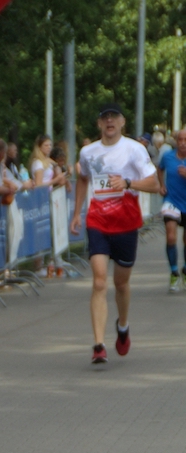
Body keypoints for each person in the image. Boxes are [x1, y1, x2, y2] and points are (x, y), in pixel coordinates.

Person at [70, 102, 159, 364]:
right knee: (99, 281)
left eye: (114, 117)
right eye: (105, 117)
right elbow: (83, 178)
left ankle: (123, 325)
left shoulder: (134, 149)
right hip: (97, 221)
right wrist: (77, 213)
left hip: (126, 223)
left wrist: (128, 182)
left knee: (120, 283)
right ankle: (98, 344)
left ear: (122, 122)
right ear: (99, 123)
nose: (109, 121)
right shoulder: (88, 152)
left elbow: (155, 184)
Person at [158, 129, 186, 291]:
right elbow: (159, 169)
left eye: (185, 140)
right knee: (171, 236)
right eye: (180, 140)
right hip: (171, 201)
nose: (182, 143)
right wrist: (161, 185)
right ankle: (174, 272)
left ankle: (185, 270)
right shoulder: (168, 156)